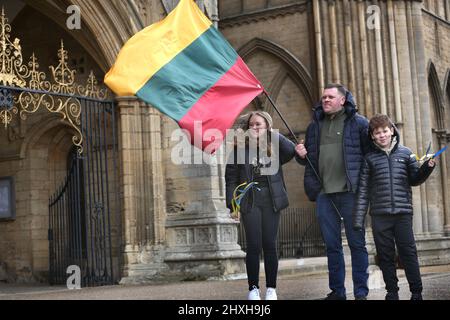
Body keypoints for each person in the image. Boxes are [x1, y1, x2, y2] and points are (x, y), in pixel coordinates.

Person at [295, 83, 370, 300]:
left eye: (330, 97)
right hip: (324, 195)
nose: (325, 100)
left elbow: (369, 156)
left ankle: (361, 293)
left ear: (342, 100)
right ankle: (337, 292)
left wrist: (364, 187)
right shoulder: (314, 127)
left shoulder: (359, 123)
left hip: (350, 193)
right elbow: (309, 162)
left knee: (357, 244)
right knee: (332, 246)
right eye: (323, 97)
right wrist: (301, 155)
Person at [353, 114, 435, 300]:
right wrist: (358, 219)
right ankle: (392, 291)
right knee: (385, 255)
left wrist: (427, 168)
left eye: (384, 131)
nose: (381, 135)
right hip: (380, 216)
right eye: (377, 132)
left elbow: (414, 179)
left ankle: (416, 292)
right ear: (372, 136)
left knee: (408, 253)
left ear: (391, 131)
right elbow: (363, 191)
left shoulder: (406, 153)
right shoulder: (369, 159)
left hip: (402, 214)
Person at [225, 110, 297, 300]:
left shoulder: (274, 146)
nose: (254, 128)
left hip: (272, 200)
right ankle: (253, 288)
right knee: (254, 245)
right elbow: (231, 178)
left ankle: (271, 288)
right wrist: (233, 205)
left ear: (267, 126)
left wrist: (273, 134)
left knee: (270, 244)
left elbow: (292, 151)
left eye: (258, 124)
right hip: (250, 201)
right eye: (251, 125)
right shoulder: (240, 149)